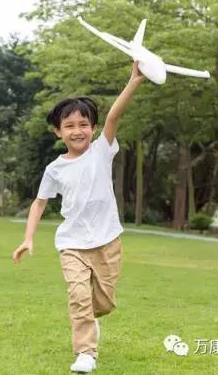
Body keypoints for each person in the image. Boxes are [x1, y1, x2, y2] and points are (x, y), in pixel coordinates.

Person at [12, 62, 145, 373]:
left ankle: (90, 322)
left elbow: (114, 115)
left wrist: (134, 81)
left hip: (108, 240)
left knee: (105, 302)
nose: (77, 130)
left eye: (83, 124)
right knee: (78, 296)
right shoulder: (55, 168)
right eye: (69, 125)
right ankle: (86, 353)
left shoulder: (102, 150)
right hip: (71, 242)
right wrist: (28, 238)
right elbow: (39, 203)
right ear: (59, 131)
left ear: (93, 129)